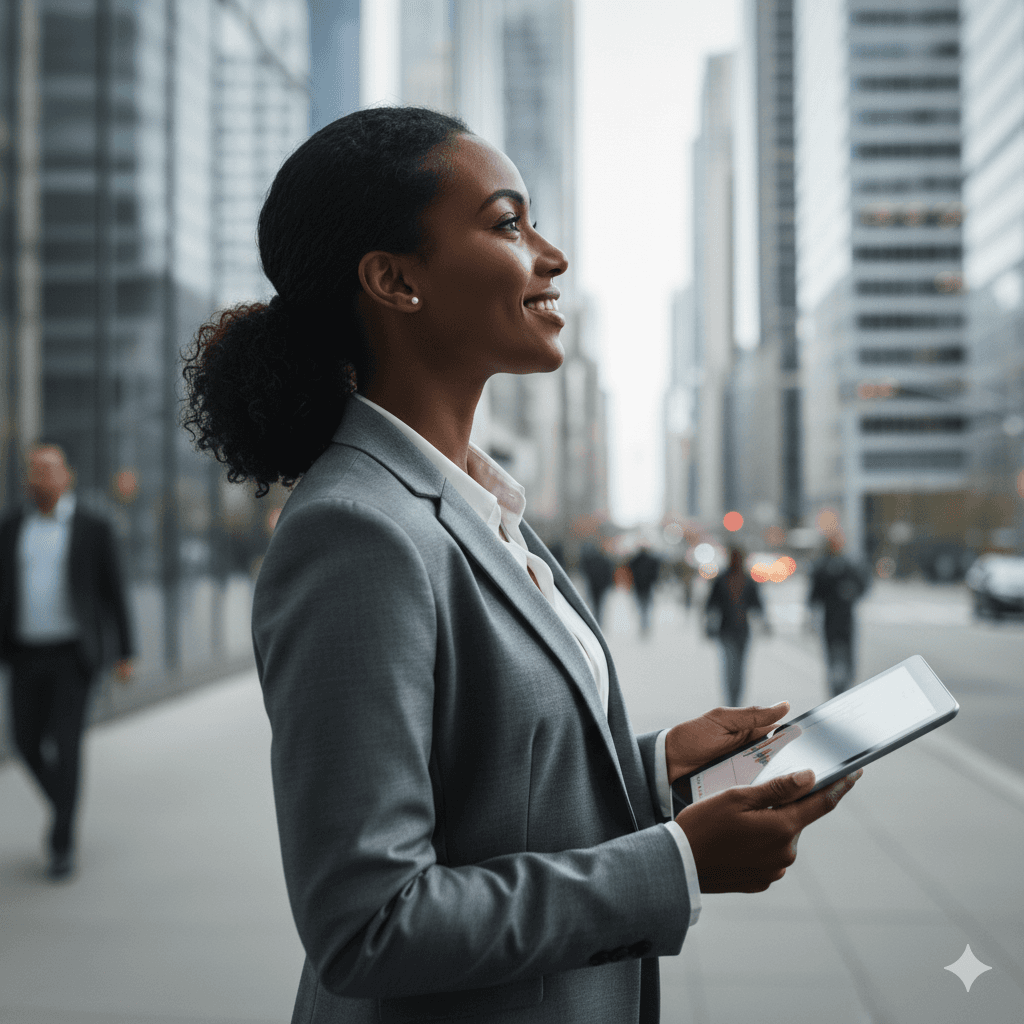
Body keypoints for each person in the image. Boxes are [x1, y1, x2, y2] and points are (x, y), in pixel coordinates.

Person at [182, 106, 861, 1024]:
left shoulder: (481, 504)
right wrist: (678, 863)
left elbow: (483, 789)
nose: (551, 255)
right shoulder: (355, 534)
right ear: (393, 280)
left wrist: (655, 769)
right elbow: (369, 925)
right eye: (507, 223)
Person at [0, 444, 135, 879]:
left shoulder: (93, 527)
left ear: (67, 477)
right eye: (34, 471)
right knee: (24, 741)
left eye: (49, 471)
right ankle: (64, 803)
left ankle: (61, 843)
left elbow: (115, 592)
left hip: (73, 658)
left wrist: (126, 653)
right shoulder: (10, 527)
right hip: (23, 654)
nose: (40, 479)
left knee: (67, 743)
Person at [808, 531, 868, 697]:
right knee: (834, 660)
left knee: (847, 662)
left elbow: (862, 586)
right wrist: (810, 620)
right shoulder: (822, 567)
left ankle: (842, 689)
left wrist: (852, 592)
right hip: (832, 621)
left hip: (845, 620)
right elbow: (813, 596)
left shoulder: (848, 565)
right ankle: (836, 692)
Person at [704, 548, 766, 706]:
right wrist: (709, 624)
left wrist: (764, 623)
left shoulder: (748, 580)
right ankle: (731, 701)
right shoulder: (722, 580)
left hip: (743, 632)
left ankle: (737, 699)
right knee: (730, 667)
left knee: (740, 668)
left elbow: (757, 605)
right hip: (726, 631)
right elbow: (711, 604)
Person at [578, 540, 615, 627]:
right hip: (601, 586)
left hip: (594, 586)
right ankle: (599, 621)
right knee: (600, 605)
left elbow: (585, 573)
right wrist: (609, 584)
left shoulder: (590, 561)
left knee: (595, 605)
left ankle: (596, 621)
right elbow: (610, 574)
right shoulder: (606, 561)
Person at [628, 544, 661, 637]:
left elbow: (629, 568)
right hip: (647, 586)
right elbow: (655, 573)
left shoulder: (636, 560)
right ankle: (645, 624)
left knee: (641, 607)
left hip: (638, 586)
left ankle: (643, 625)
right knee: (646, 607)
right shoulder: (651, 560)